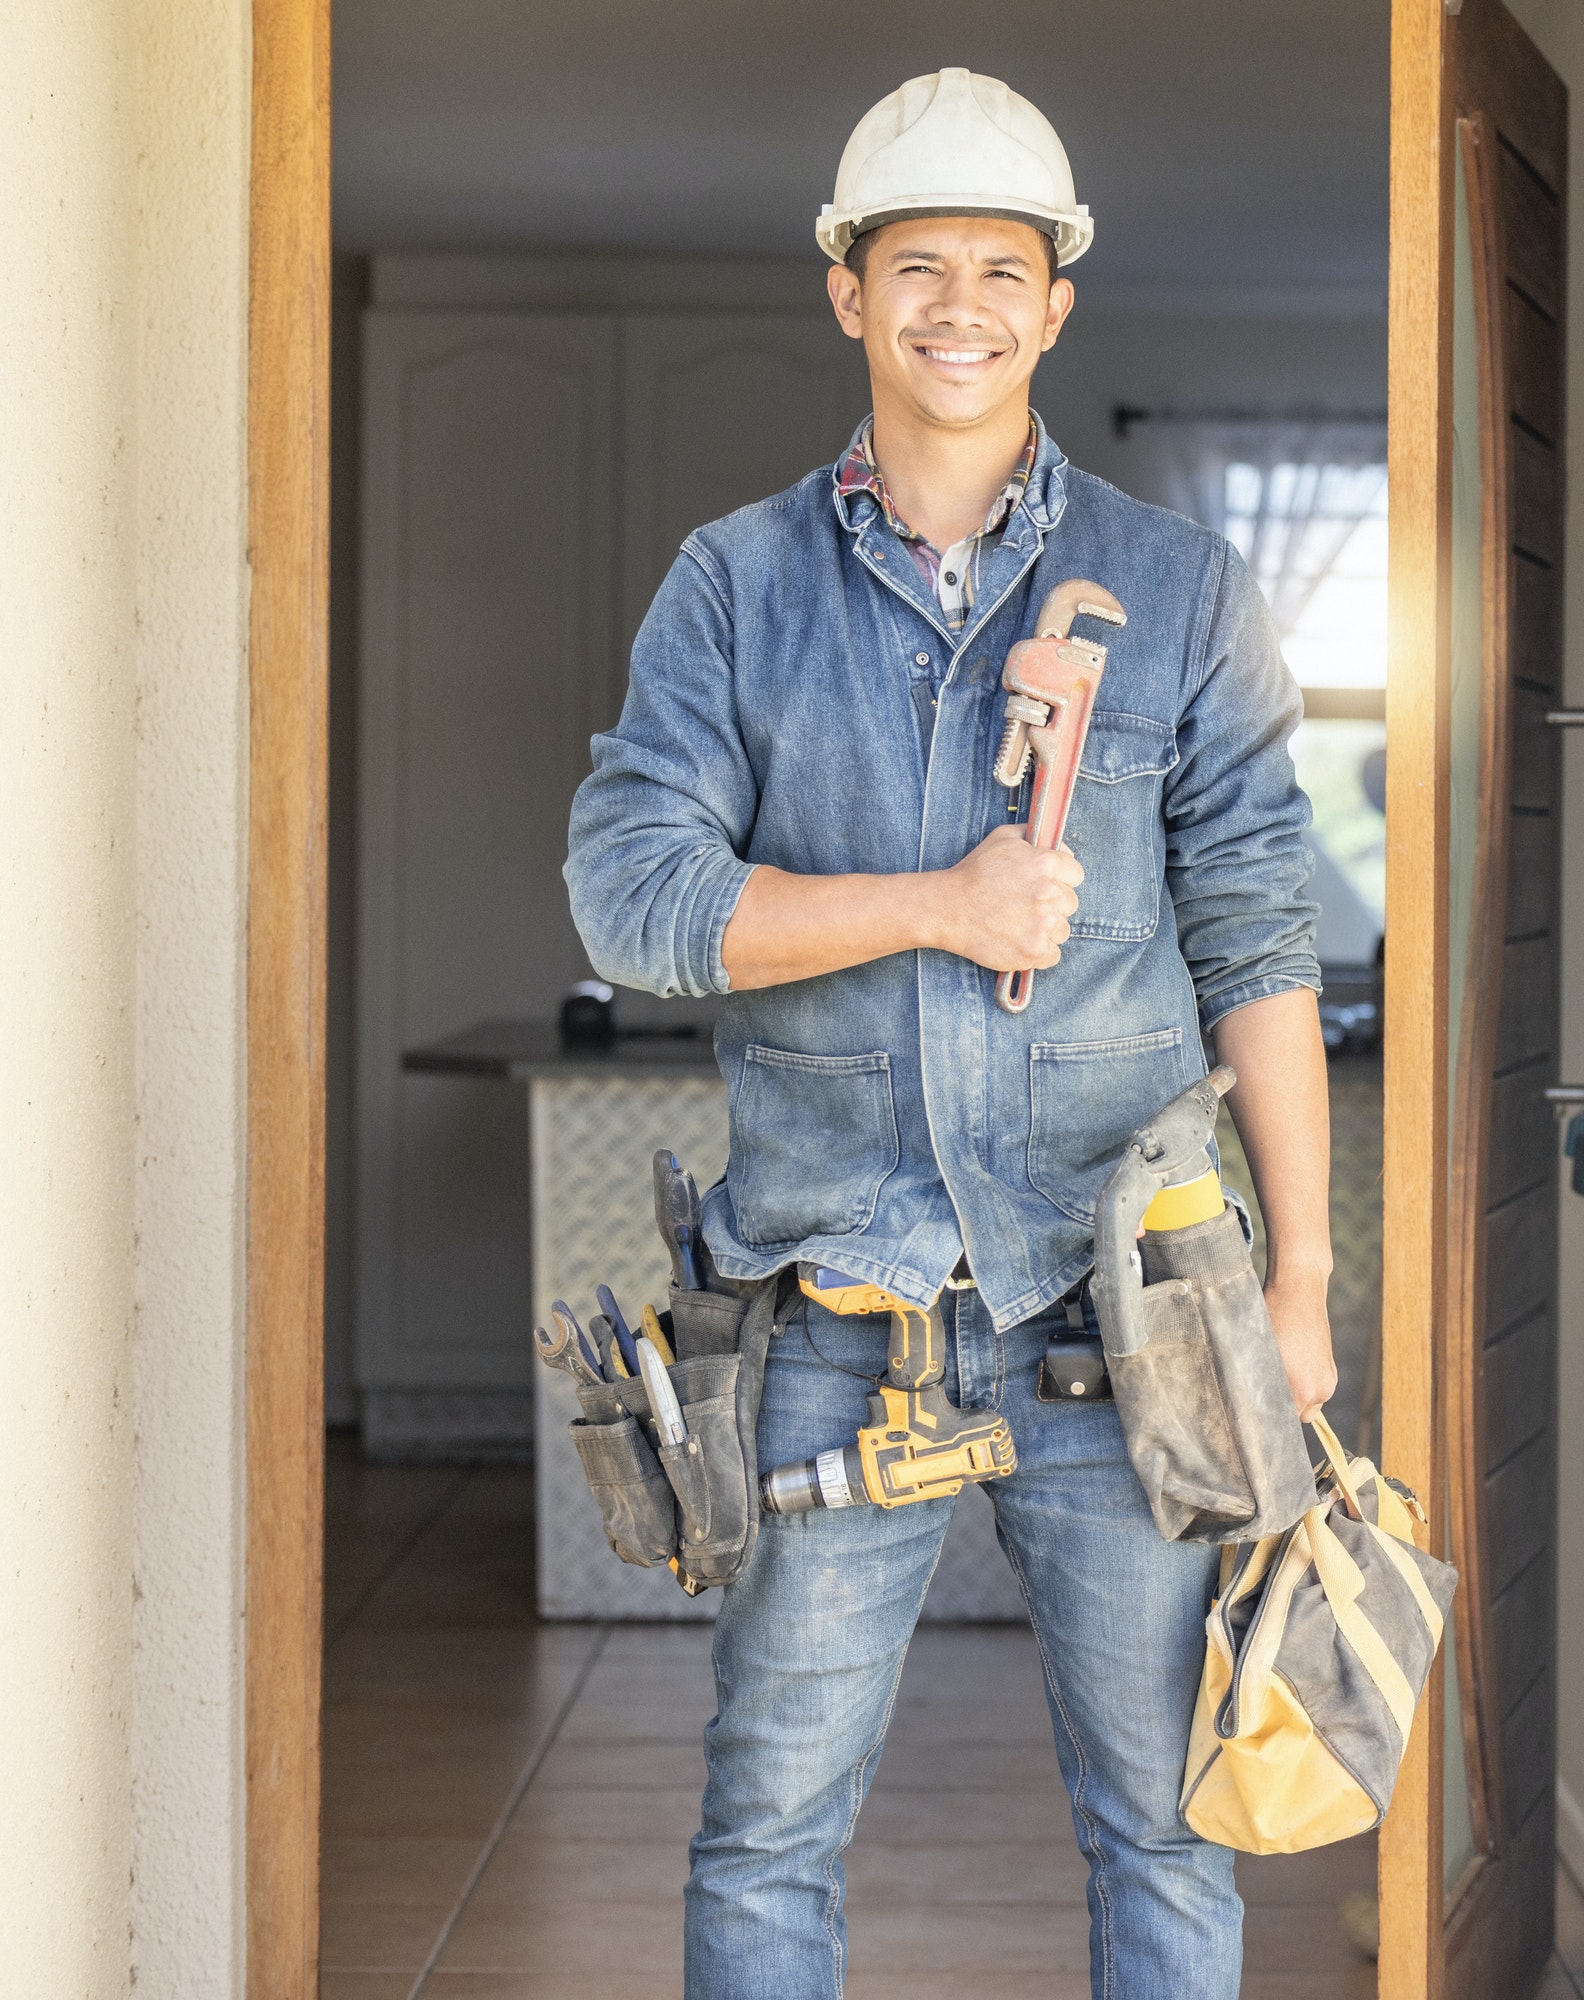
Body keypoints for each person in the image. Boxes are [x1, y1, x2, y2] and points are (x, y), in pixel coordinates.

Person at [566, 66, 1336, 2000]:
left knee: (1166, 1829)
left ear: (1056, 302)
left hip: (1125, 1311)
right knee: (765, 1835)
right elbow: (634, 897)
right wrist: (938, 903)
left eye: (1005, 267)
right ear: (846, 288)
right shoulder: (732, 591)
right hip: (829, 1309)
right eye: (919, 265)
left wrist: (1308, 1281)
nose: (962, 306)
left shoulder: (1175, 591)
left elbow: (1258, 939)